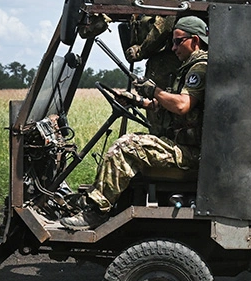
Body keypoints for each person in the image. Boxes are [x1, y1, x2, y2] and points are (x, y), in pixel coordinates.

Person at [60, 15, 209, 230]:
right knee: (130, 142)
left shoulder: (200, 67)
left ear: (195, 40)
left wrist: (154, 90)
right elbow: (173, 106)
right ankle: (94, 201)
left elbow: (181, 105)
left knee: (126, 146)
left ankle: (96, 212)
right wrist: (140, 101)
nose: (173, 48)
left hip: (193, 153)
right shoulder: (188, 67)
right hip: (186, 146)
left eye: (178, 42)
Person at [124, 0, 191, 85]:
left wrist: (141, 50)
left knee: (156, 102)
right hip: (165, 57)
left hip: (164, 59)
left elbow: (167, 18)